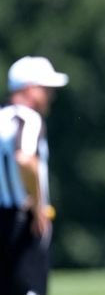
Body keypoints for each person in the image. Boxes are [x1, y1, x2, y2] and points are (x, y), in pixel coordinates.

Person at [0, 56, 69, 295]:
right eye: (46, 88)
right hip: (21, 223)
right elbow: (25, 159)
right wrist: (38, 204)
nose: (51, 95)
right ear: (29, 88)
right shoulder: (29, 118)